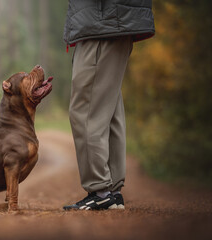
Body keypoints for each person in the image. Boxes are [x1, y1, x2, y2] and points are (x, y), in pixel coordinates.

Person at [63, 0, 155, 210]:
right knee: (108, 108)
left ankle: (100, 191)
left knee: (85, 110)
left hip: (102, 24)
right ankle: (110, 192)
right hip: (111, 22)